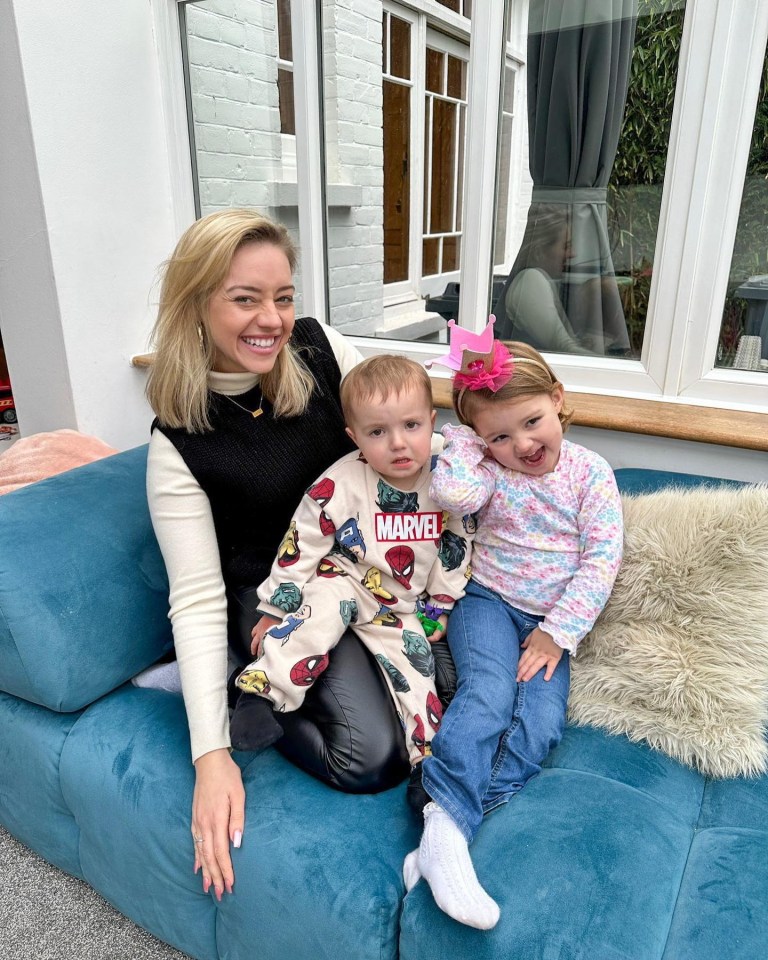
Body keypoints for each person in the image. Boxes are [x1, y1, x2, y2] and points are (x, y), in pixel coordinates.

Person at [143, 210, 454, 904]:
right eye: (245, 298)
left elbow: (400, 421)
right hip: (275, 599)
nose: (273, 319)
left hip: (369, 572)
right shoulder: (177, 443)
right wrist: (210, 752)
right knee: (369, 758)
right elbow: (193, 596)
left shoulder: (321, 350)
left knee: (446, 690)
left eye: (282, 296)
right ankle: (242, 686)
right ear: (197, 303)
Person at [408, 321, 624, 929]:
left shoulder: (589, 473)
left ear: (556, 398)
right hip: (486, 604)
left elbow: (601, 559)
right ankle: (448, 831)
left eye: (532, 422)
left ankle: (441, 824)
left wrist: (558, 632)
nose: (523, 444)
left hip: (551, 624)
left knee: (540, 726)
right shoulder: (487, 470)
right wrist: (469, 445)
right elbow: (452, 494)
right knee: (488, 695)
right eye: (500, 436)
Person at [229, 355, 473, 779]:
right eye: (378, 432)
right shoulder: (340, 482)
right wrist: (274, 607)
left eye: (411, 426)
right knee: (313, 622)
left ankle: (427, 773)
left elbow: (457, 544)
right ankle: (259, 694)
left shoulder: (449, 479)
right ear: (354, 437)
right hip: (343, 579)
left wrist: (441, 605)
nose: (398, 443)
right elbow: (301, 541)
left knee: (421, 686)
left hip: (401, 608)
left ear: (432, 422)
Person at [493, 203, 630, 356]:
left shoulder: (540, 280)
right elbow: (563, 347)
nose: (572, 254)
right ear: (539, 251)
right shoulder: (531, 281)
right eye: (566, 246)